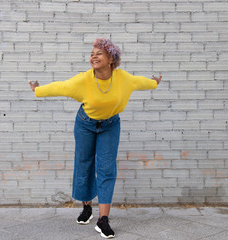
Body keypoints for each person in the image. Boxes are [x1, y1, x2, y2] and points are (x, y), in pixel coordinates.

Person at [29, 38, 162, 239]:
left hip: (110, 125)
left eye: (99, 53)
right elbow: (61, 87)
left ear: (111, 58)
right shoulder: (83, 80)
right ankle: (87, 207)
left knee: (107, 168)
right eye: (92, 53)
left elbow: (140, 82)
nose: (93, 56)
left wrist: (154, 83)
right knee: (84, 164)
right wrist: (38, 90)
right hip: (85, 124)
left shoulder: (123, 78)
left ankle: (103, 219)